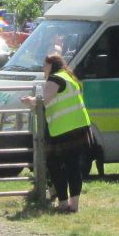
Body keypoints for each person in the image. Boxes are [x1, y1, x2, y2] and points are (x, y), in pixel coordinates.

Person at [25, 53, 92, 212]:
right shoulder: (69, 76)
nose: (43, 68)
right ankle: (74, 204)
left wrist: (29, 101)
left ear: (51, 65)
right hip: (80, 126)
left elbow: (43, 100)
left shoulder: (54, 79)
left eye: (45, 65)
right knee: (73, 166)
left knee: (55, 165)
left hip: (62, 129)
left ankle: (63, 202)